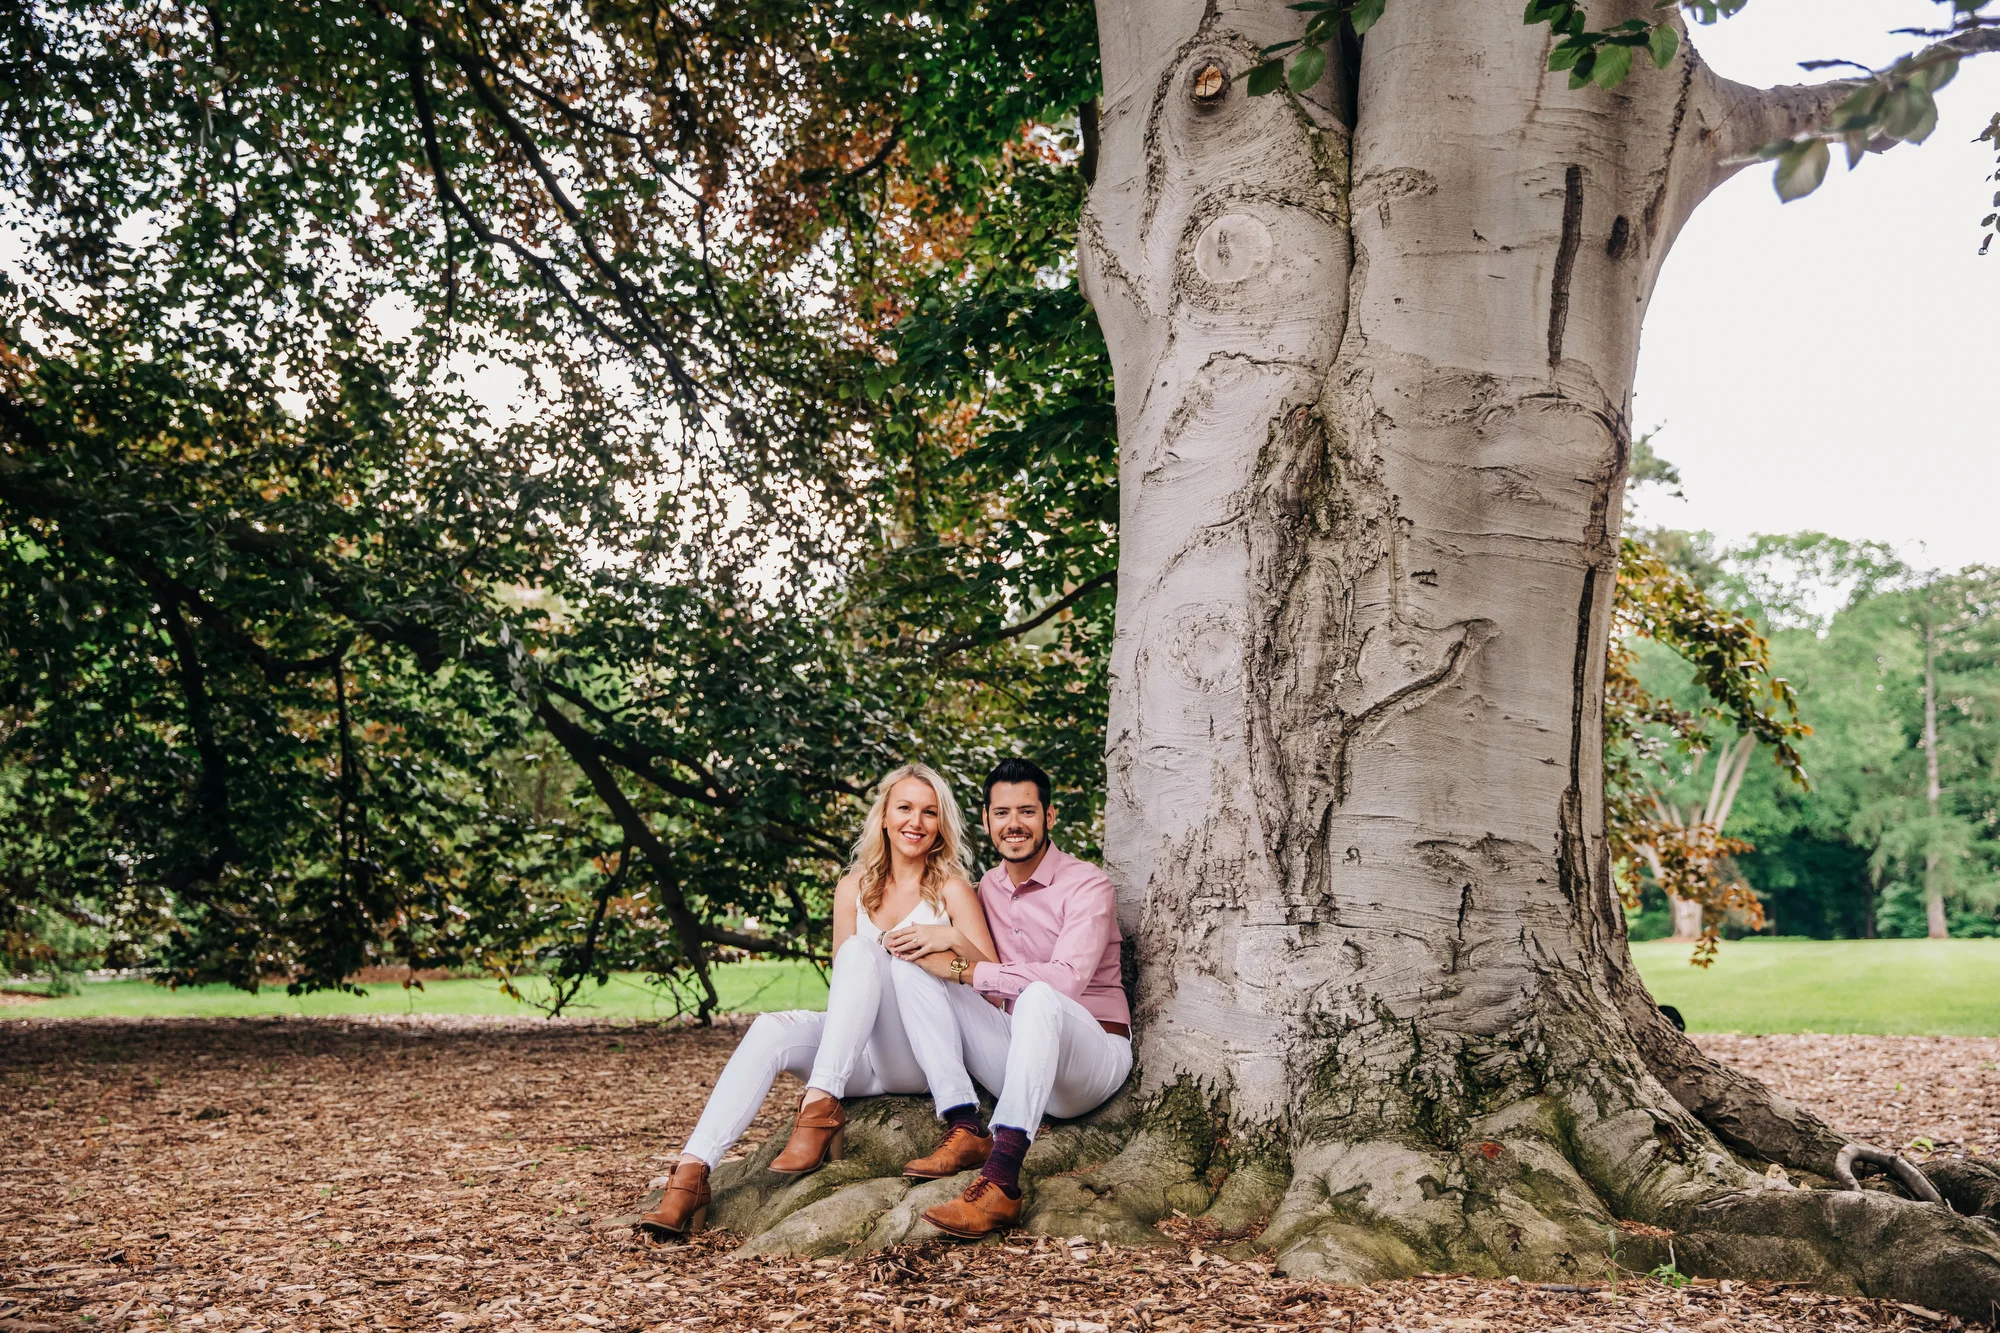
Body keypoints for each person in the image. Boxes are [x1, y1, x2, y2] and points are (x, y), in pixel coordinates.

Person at [638, 763, 999, 1237]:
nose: (916, 821)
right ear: (884, 818)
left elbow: (990, 974)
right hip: (855, 1058)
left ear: (941, 825)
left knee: (864, 952)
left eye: (930, 812)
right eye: (905, 808)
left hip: (915, 1054)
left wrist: (946, 934)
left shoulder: (951, 889)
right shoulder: (852, 887)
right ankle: (690, 1176)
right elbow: (849, 983)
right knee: (773, 1025)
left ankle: (819, 1108)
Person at [885, 757, 1132, 1239]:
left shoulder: (1088, 885)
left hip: (1091, 1059)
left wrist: (965, 964)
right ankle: (964, 1124)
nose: (1013, 824)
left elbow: (1065, 983)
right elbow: (972, 968)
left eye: (1026, 812)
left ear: (1049, 817)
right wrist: (948, 942)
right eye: (1002, 813)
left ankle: (1001, 1181)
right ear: (986, 820)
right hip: (1019, 1053)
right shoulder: (984, 891)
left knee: (1041, 995)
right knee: (912, 964)